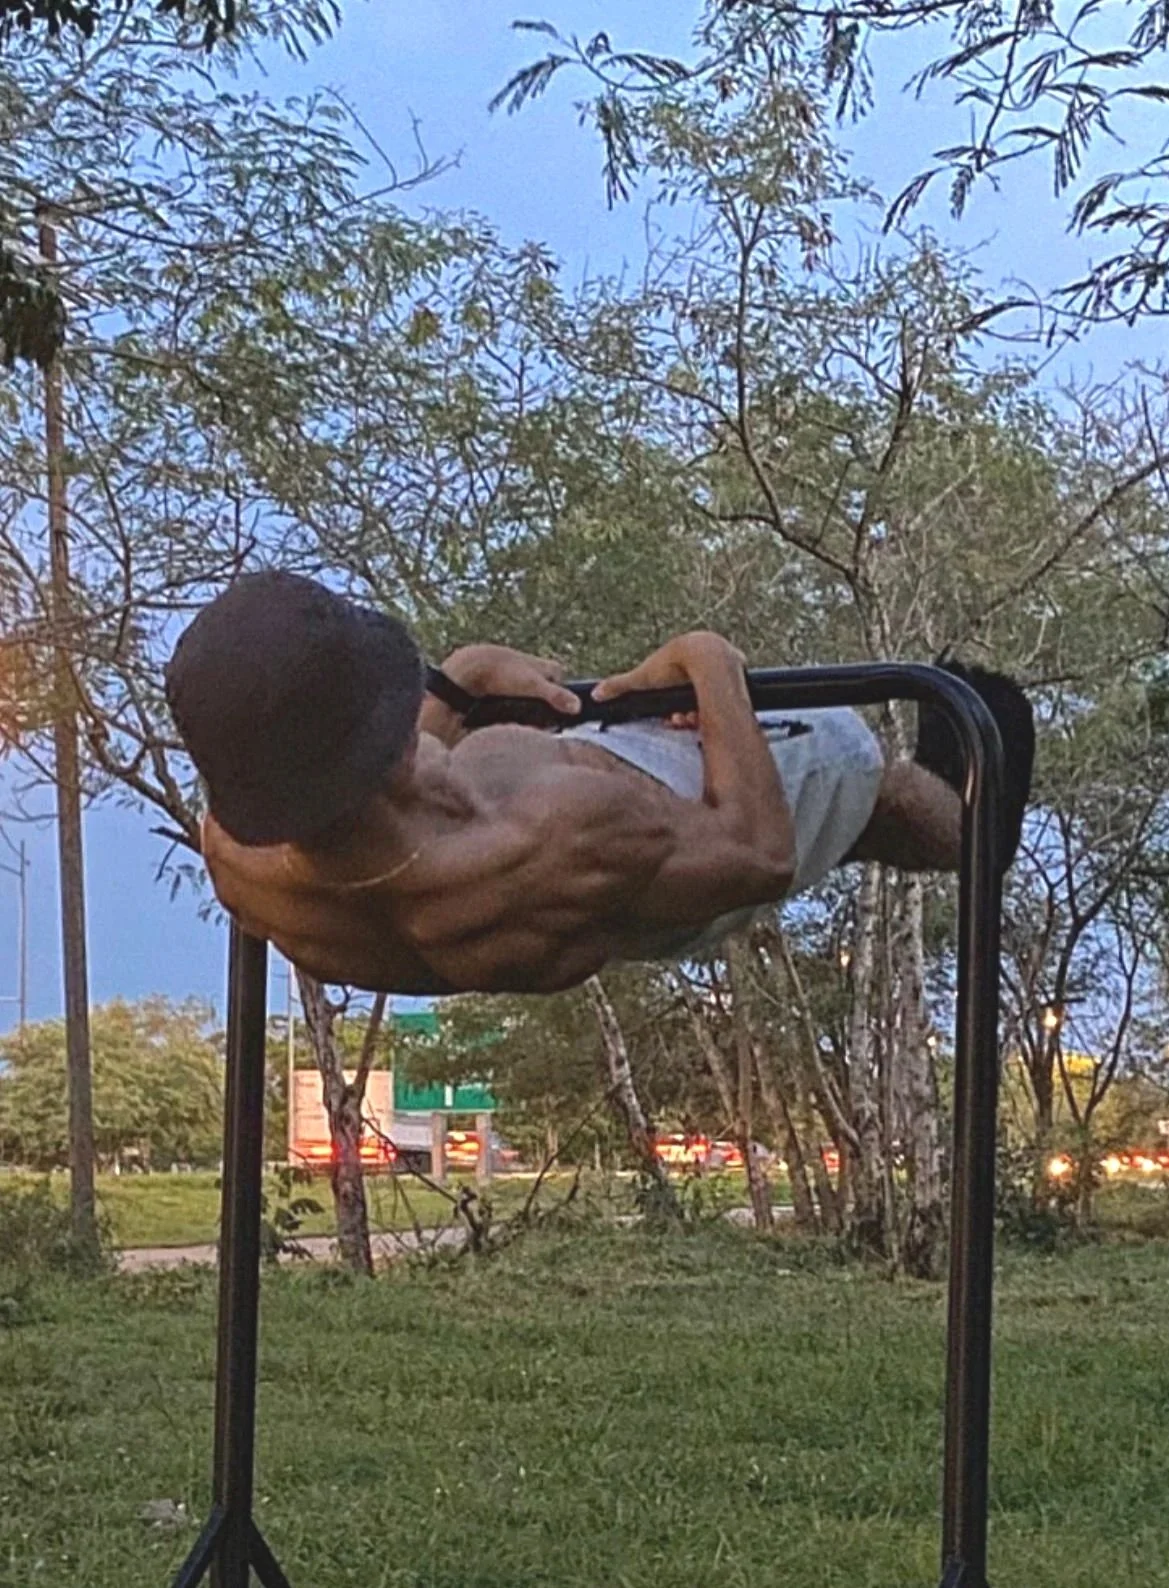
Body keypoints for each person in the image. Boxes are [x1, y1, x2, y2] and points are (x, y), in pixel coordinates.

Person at [165, 571, 1034, 996]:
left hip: (563, 869)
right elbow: (757, 855)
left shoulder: (238, 852)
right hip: (645, 866)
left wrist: (457, 684)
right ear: (381, 744)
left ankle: (914, 813)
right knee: (847, 760)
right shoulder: (548, 831)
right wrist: (708, 665)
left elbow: (366, 813)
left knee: (771, 776)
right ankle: (973, 829)